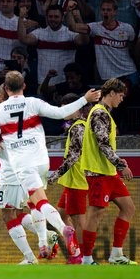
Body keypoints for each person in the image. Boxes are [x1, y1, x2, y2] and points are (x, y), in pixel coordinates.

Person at [0, 71, 100, 259]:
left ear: (6, 89)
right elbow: (61, 113)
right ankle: (43, 243)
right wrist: (85, 99)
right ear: (24, 86)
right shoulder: (33, 103)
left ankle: (61, 230)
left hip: (20, 165)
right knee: (32, 204)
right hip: (41, 160)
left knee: (38, 203)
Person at [0, 84, 59, 264]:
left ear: (3, 95)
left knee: (7, 214)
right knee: (20, 212)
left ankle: (30, 257)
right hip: (27, 168)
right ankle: (47, 235)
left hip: (10, 172)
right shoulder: (24, 111)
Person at [79, 78, 138, 265]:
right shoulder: (99, 113)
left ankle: (116, 254)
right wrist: (121, 165)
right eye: (120, 96)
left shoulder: (104, 113)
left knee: (128, 208)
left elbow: (106, 145)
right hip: (98, 173)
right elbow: (102, 144)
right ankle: (86, 259)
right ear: (111, 93)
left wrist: (118, 162)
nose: (121, 99)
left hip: (109, 172)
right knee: (96, 213)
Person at [47, 93, 91, 264]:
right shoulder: (76, 126)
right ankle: (77, 252)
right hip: (71, 180)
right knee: (62, 214)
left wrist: (53, 176)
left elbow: (72, 158)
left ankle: (84, 256)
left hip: (77, 180)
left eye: (66, 108)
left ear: (76, 109)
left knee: (80, 220)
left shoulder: (78, 128)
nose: (63, 112)